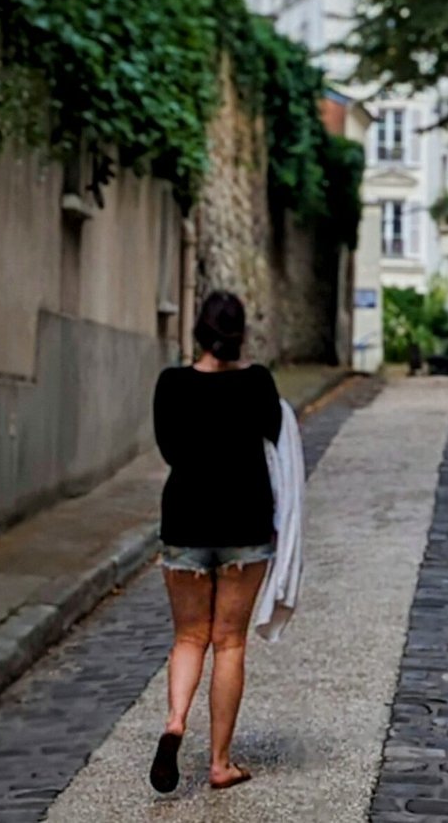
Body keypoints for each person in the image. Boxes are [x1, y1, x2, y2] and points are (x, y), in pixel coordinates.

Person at [148, 291, 282, 794]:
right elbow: (275, 439)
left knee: (188, 638)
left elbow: (168, 449)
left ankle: (175, 722)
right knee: (229, 642)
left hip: (184, 523)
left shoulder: (171, 384)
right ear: (240, 333)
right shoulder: (258, 383)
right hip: (244, 529)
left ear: (197, 331)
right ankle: (220, 763)